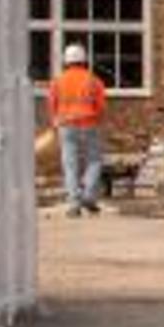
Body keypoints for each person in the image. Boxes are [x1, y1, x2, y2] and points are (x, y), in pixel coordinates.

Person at [47, 43, 112, 216]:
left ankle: (74, 204)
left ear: (66, 62)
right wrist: (98, 120)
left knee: (70, 165)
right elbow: (101, 106)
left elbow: (52, 105)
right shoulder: (93, 80)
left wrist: (55, 122)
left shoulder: (58, 81)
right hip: (90, 124)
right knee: (94, 161)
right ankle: (89, 197)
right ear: (84, 60)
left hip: (66, 126)